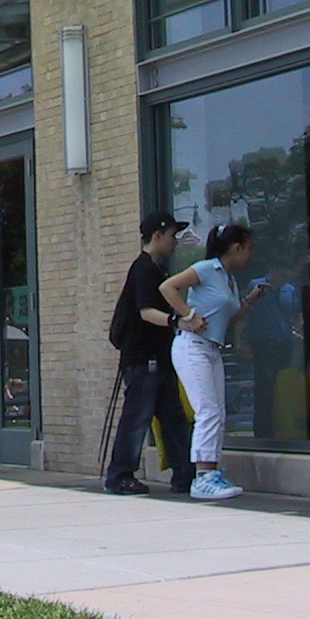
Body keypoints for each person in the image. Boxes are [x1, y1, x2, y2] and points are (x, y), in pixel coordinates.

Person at [161, 223, 269, 501]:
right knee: (207, 412)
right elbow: (168, 287)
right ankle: (203, 477)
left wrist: (248, 301)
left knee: (218, 414)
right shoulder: (207, 269)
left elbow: (227, 320)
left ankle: (212, 470)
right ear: (236, 248)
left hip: (212, 348)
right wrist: (187, 315)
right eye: (248, 248)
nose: (250, 254)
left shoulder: (229, 280)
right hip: (192, 348)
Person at [103, 213, 193, 496]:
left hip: (157, 358)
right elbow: (145, 312)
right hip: (144, 359)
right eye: (171, 235)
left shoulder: (157, 270)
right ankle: (120, 476)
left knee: (173, 417)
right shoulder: (144, 269)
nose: (174, 241)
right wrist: (176, 321)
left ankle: (185, 475)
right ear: (157, 236)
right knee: (137, 417)